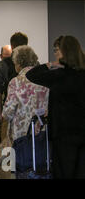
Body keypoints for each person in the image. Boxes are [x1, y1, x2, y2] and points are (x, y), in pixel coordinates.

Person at [26, 35, 85, 179]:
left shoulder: (59, 75)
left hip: (63, 134)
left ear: (64, 52)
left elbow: (31, 75)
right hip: (82, 132)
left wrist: (50, 64)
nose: (55, 53)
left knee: (63, 172)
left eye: (57, 50)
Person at [1, 46, 49, 179]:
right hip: (44, 137)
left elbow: (8, 113)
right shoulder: (46, 80)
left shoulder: (16, 82)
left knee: (22, 172)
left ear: (19, 63)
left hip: (21, 140)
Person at [0, 31, 28, 179]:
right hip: (29, 117)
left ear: (12, 45)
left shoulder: (4, 64)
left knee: (7, 152)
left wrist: (1, 114)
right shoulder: (35, 64)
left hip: (9, 115)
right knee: (27, 150)